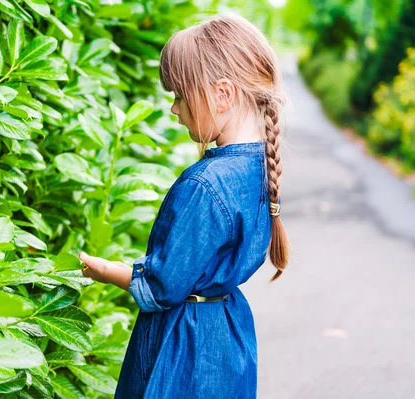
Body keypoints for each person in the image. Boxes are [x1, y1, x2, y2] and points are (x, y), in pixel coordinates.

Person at [78, 14, 290, 399]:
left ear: (222, 94)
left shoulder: (204, 185)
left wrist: (107, 271)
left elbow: (164, 285)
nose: (175, 109)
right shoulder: (261, 166)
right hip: (227, 336)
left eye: (180, 95)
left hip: (185, 349)